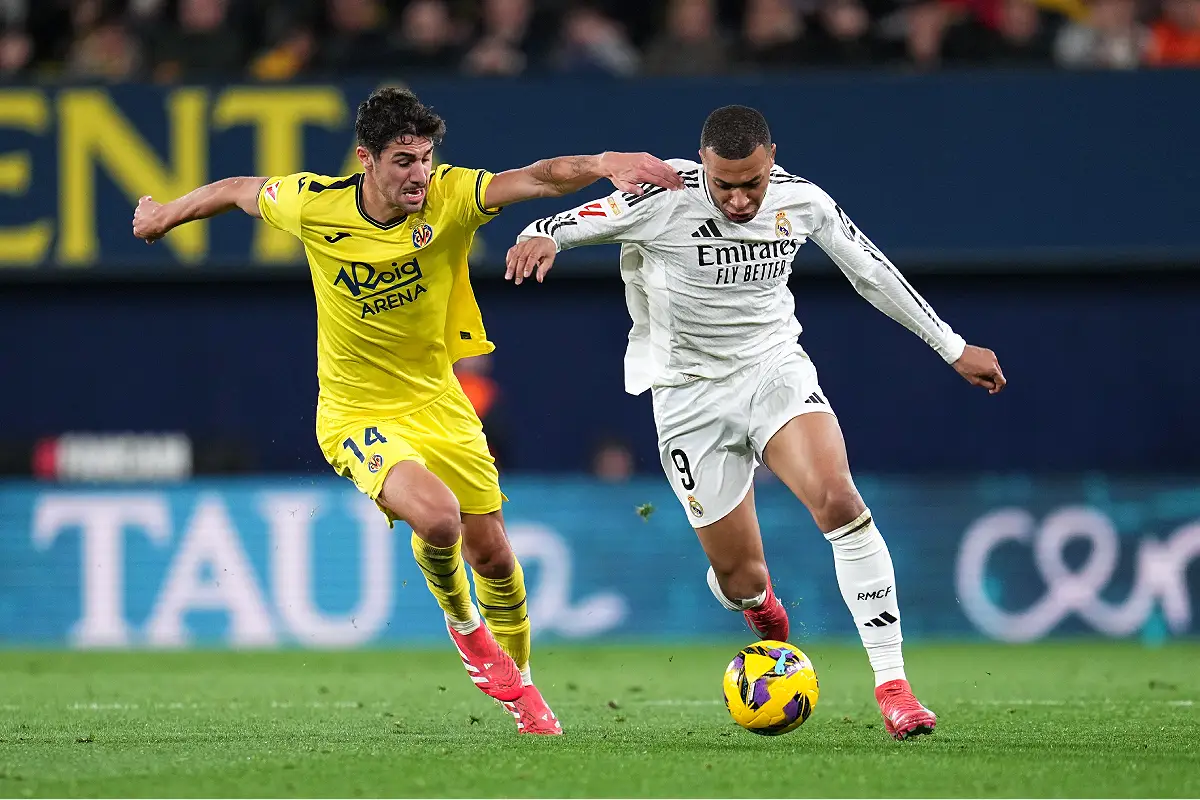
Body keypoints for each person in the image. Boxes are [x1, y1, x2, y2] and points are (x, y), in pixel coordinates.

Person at [131, 87, 683, 735]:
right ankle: (465, 628)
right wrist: (165, 214)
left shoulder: (451, 196)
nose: (419, 172)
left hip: (439, 400)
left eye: (424, 157)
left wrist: (603, 160)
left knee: (497, 556)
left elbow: (537, 177)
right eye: (402, 160)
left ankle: (524, 688)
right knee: (438, 517)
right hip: (355, 410)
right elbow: (235, 188)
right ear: (366, 159)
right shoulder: (315, 205)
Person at [505, 105, 1005, 741]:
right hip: (687, 398)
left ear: (772, 160)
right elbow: (560, 221)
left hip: (774, 373)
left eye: (752, 183)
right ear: (702, 166)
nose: (739, 200)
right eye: (724, 186)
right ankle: (759, 609)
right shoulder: (659, 197)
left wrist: (952, 346)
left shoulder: (803, 201)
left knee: (838, 501)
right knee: (743, 580)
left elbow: (871, 271)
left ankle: (894, 687)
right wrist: (541, 237)